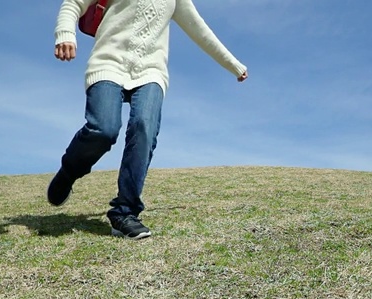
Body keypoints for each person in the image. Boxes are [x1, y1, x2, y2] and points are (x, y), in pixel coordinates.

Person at [48, 0, 248, 239]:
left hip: (151, 72)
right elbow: (74, 4)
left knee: (144, 127)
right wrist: (65, 34)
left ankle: (125, 212)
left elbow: (200, 31)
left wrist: (234, 65)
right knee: (103, 130)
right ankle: (69, 172)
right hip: (108, 62)